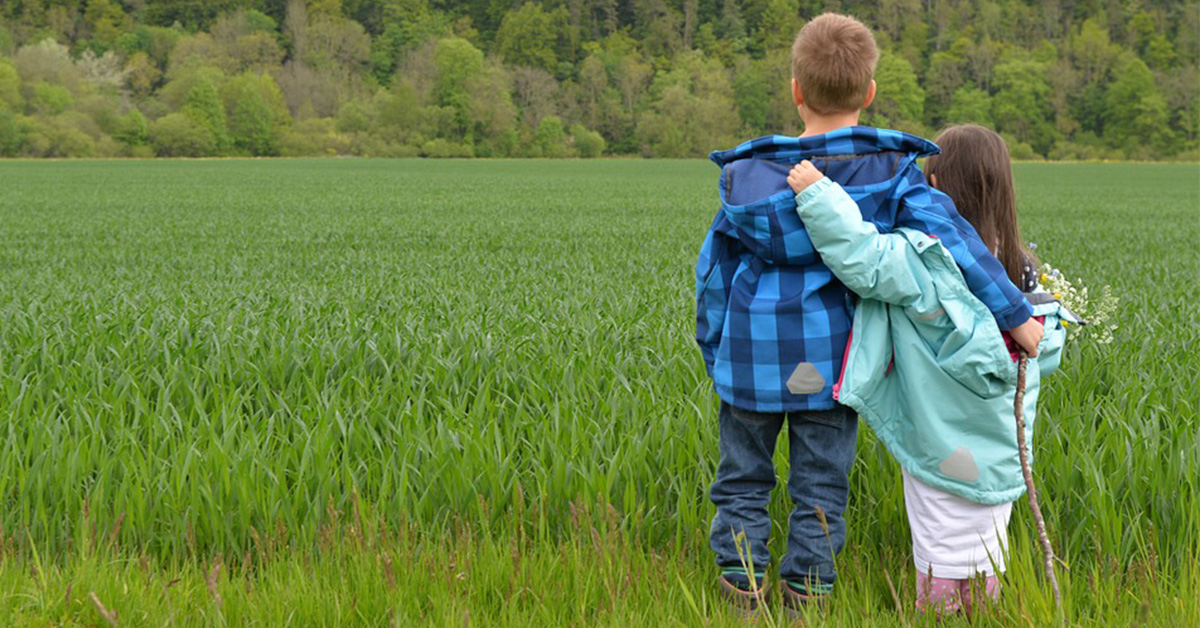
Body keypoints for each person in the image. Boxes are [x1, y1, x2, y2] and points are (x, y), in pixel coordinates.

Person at [695, 14, 1044, 615]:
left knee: (742, 477)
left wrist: (716, 349)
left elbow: (714, 276)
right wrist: (1014, 313)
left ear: (796, 90)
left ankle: (741, 587)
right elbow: (957, 243)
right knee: (821, 484)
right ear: (870, 92)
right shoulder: (889, 172)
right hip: (835, 362)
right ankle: (807, 596)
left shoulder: (747, 179)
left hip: (750, 358)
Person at [785, 124, 1073, 616]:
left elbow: (862, 255)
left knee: (940, 537)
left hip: (937, 435)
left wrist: (818, 194)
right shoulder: (1022, 271)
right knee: (986, 541)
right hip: (1000, 444)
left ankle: (936, 615)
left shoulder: (926, 258)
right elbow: (1038, 348)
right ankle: (984, 615)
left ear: (933, 187)